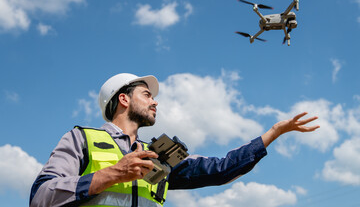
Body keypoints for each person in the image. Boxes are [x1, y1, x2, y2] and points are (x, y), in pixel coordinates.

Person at [29, 73, 320, 207]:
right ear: (123, 99)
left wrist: (273, 133)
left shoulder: (158, 156)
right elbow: (41, 197)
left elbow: (220, 169)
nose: (155, 102)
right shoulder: (81, 139)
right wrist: (112, 174)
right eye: (147, 95)